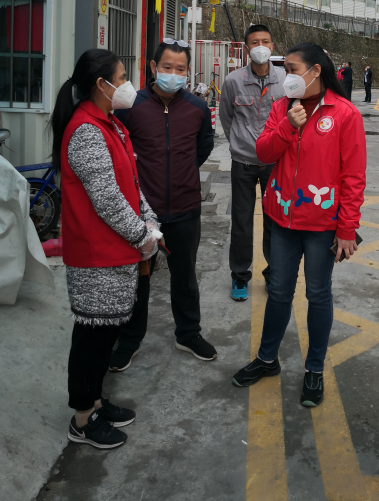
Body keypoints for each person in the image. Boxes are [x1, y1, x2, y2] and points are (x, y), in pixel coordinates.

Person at [231, 43, 366, 407]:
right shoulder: (282, 108)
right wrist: (288, 127)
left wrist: (347, 229)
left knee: (318, 294)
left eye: (292, 69)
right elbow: (263, 152)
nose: (286, 76)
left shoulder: (345, 114)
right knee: (278, 291)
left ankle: (314, 369)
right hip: (282, 220)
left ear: (315, 71)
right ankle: (267, 359)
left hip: (323, 225)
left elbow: (353, 177)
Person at [52, 48, 161, 450]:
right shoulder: (86, 131)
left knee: (105, 334)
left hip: (116, 252)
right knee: (92, 339)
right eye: (122, 77)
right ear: (101, 85)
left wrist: (149, 220)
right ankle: (82, 418)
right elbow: (108, 200)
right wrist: (141, 235)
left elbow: (130, 183)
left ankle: (96, 402)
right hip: (96, 256)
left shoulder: (110, 124)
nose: (128, 84)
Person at [110, 39, 216, 368]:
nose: (173, 73)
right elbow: (120, 150)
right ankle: (129, 339)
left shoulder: (197, 108)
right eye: (167, 67)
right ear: (154, 67)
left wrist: (184, 171)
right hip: (144, 212)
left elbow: (204, 145)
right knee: (138, 277)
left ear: (188, 72)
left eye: (180, 69)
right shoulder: (132, 106)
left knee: (184, 276)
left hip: (185, 208)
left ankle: (188, 333)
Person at [219, 24, 286, 301]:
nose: (261, 47)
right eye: (255, 42)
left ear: (272, 46)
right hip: (243, 163)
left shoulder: (285, 80)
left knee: (275, 222)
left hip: (275, 164)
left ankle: (273, 274)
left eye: (265, 41)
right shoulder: (233, 81)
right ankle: (239, 276)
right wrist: (240, 144)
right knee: (242, 223)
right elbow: (226, 117)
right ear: (247, 48)